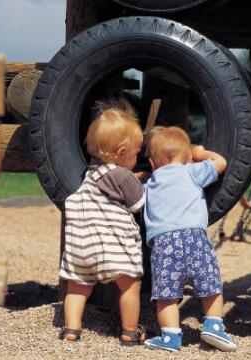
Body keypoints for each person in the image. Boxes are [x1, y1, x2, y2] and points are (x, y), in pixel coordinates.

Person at [59, 99, 147, 345]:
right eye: (136, 153)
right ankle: (130, 331)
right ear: (121, 153)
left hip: (80, 248)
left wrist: (132, 176)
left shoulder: (89, 173)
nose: (137, 156)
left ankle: (71, 330)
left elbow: (113, 182)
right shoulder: (123, 176)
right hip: (110, 248)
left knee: (77, 288)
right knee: (130, 285)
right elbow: (137, 204)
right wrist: (141, 181)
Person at [143, 126, 236, 352]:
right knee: (210, 285)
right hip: (195, 239)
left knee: (166, 295)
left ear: (153, 164)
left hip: (164, 245)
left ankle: (171, 337)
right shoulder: (191, 171)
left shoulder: (150, 183)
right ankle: (214, 325)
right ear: (187, 158)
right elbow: (221, 162)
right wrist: (200, 153)